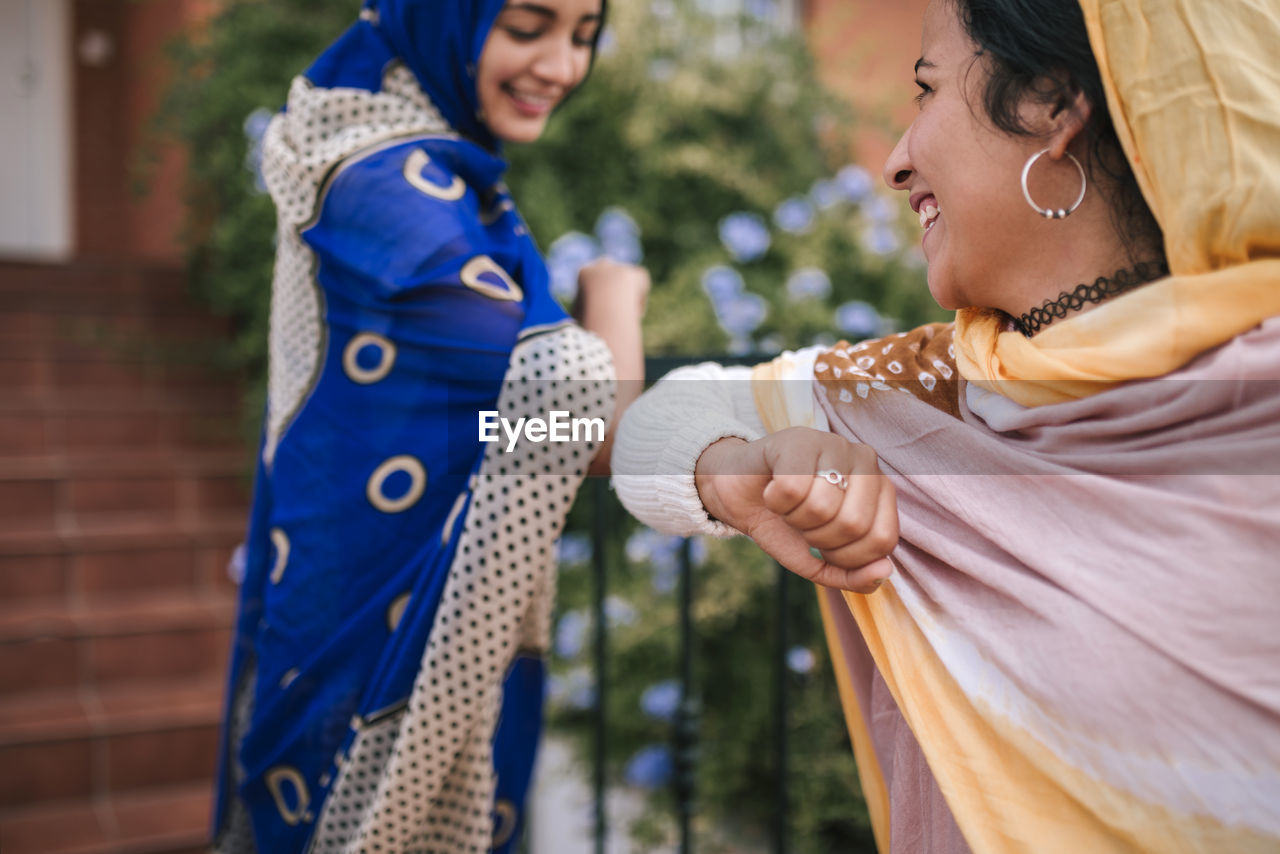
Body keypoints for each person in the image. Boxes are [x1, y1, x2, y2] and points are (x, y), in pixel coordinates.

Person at [613, 0, 1280, 851]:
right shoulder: (932, 388)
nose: (894, 163)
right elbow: (607, 431)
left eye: (926, 93)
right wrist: (727, 465)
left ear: (1051, 103)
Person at [212, 0, 648, 851]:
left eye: (584, 35)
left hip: (349, 598)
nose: (561, 66)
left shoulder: (387, 147)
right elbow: (589, 432)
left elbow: (481, 420)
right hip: (356, 648)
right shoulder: (390, 192)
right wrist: (616, 299)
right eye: (528, 26)